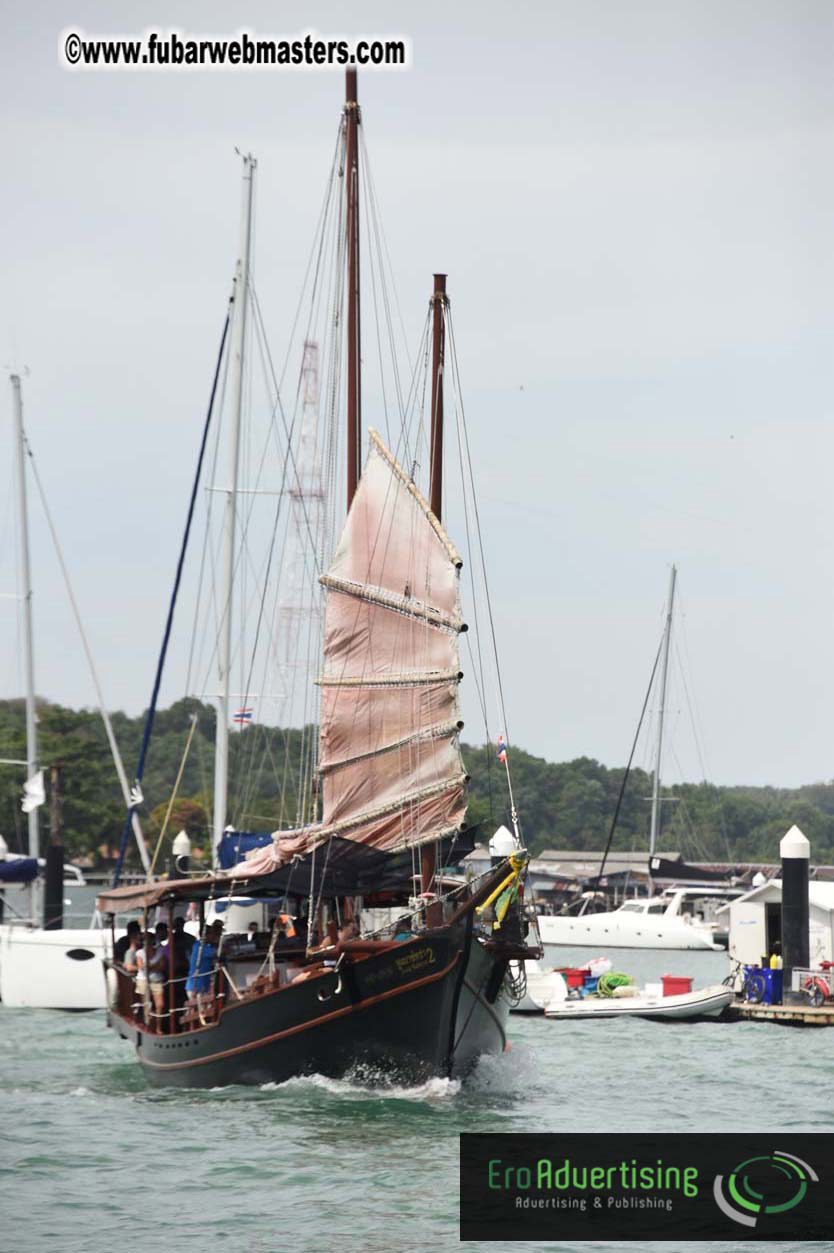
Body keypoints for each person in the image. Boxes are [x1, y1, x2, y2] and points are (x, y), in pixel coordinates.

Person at [185, 921, 223, 1013]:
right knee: (200, 1011)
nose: (213, 936)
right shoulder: (201, 947)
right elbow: (219, 952)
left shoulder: (201, 946)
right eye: (211, 934)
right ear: (206, 935)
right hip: (196, 986)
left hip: (201, 985)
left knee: (200, 1009)